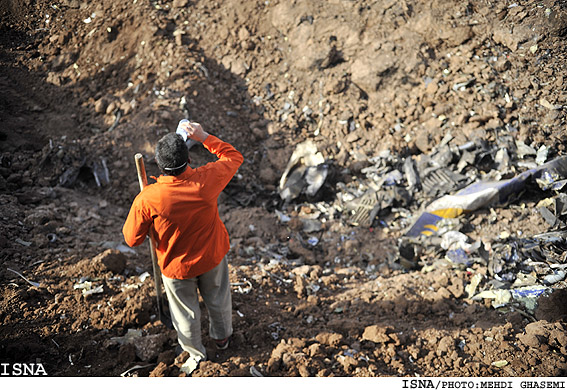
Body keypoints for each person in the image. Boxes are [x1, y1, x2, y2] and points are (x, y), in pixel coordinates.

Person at [122, 120, 243, 374]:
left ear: (159, 164)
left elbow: (132, 239)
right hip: (211, 256)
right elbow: (233, 156)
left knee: (185, 313)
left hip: (176, 267)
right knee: (218, 299)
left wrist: (148, 222)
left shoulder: (148, 199)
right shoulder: (206, 180)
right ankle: (222, 339)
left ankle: (194, 352)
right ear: (188, 159)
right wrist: (203, 136)